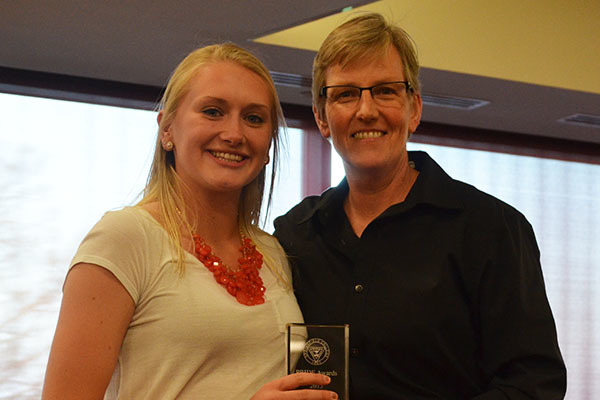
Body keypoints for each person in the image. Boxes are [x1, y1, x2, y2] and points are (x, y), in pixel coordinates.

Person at [274, 13, 566, 399]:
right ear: (321, 116)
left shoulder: (491, 228)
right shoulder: (294, 234)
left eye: (385, 91)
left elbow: (534, 383)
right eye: (346, 94)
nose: (366, 110)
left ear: (414, 109)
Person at [42, 43, 337, 400]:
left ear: (269, 145)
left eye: (254, 118)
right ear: (167, 129)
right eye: (213, 112)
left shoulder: (273, 252)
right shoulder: (124, 238)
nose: (234, 134)